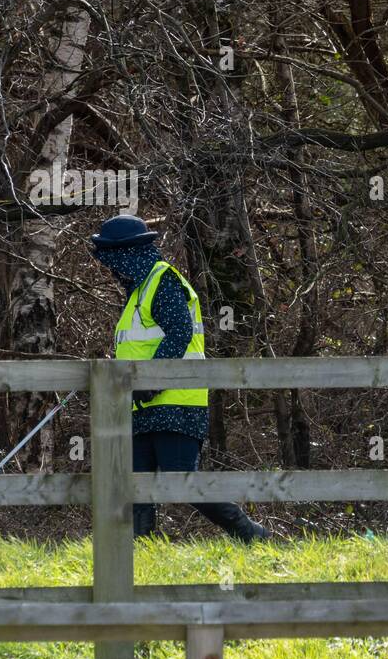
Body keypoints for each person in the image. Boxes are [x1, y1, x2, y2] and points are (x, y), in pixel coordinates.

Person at [90, 215, 269, 542]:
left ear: (128, 253)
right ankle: (137, 554)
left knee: (181, 479)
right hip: (142, 404)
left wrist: (149, 383)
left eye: (113, 259)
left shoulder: (163, 282)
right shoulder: (139, 289)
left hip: (176, 400)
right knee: (136, 484)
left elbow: (179, 334)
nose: (111, 269)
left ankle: (249, 533)